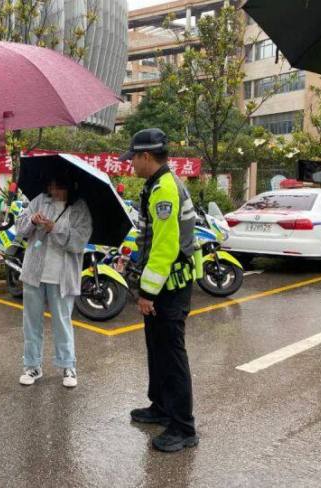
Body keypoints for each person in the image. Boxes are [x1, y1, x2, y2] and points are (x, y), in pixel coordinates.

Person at [121, 128, 199, 453]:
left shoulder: (165, 189)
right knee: (157, 348)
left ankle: (183, 426)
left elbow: (165, 249)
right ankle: (161, 407)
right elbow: (150, 239)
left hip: (170, 286)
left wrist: (146, 293)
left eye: (133, 158)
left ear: (147, 157)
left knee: (171, 353)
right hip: (162, 283)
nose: (130, 165)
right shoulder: (155, 185)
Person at [15, 168, 93, 388]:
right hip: (34, 272)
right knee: (31, 321)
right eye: (50, 186)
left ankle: (68, 365)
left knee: (62, 321)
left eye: (58, 187)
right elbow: (20, 228)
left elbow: (79, 241)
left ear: (69, 187)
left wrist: (55, 228)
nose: (53, 191)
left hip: (62, 276)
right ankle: (32, 365)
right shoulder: (39, 200)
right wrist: (31, 219)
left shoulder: (80, 209)